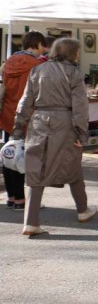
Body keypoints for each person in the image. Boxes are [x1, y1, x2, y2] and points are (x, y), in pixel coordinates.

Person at [12, 38, 97, 235]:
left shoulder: (37, 70)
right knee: (73, 165)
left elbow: (25, 102)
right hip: (65, 122)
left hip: (39, 121)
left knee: (35, 169)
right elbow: (80, 107)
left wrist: (18, 129)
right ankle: (82, 210)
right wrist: (82, 134)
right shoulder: (73, 73)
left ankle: (31, 222)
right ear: (72, 53)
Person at [1, 31, 48, 210]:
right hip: (27, 117)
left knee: (9, 155)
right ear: (36, 44)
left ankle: (11, 197)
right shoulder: (36, 65)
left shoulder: (8, 63)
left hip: (6, 115)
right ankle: (21, 200)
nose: (44, 50)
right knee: (24, 158)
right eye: (43, 46)